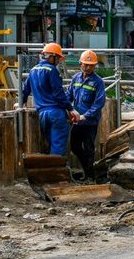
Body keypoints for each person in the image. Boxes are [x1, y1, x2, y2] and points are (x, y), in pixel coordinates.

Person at [20, 42, 79, 157]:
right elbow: (58, 94)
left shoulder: (33, 70)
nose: (58, 62)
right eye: (58, 59)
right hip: (55, 114)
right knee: (58, 147)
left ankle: (51, 170)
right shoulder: (52, 71)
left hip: (42, 114)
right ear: (51, 57)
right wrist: (71, 109)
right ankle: (57, 171)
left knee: (51, 143)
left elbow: (24, 90)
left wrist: (21, 103)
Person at [67, 50, 107, 182]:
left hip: (90, 123)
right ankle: (88, 171)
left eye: (91, 65)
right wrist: (68, 108)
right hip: (77, 121)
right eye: (86, 65)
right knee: (75, 146)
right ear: (80, 64)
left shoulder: (98, 82)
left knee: (89, 148)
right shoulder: (76, 78)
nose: (88, 67)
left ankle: (90, 176)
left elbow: (99, 103)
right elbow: (69, 95)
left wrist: (85, 116)